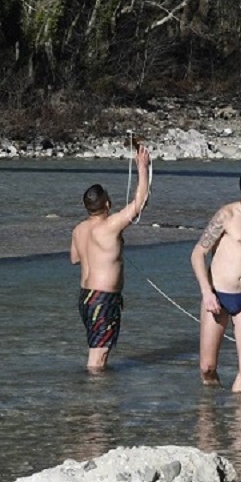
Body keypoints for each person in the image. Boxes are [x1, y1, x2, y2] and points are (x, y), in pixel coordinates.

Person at [190, 167, 241, 393]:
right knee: (207, 367)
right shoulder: (226, 215)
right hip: (218, 296)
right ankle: (210, 413)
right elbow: (197, 254)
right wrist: (207, 294)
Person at [70, 142, 151, 370]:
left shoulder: (79, 229)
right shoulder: (109, 226)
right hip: (102, 298)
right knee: (98, 358)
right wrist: (143, 168)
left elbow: (75, 259)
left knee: (97, 351)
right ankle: (96, 403)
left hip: (85, 297)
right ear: (107, 204)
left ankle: (96, 398)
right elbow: (139, 204)